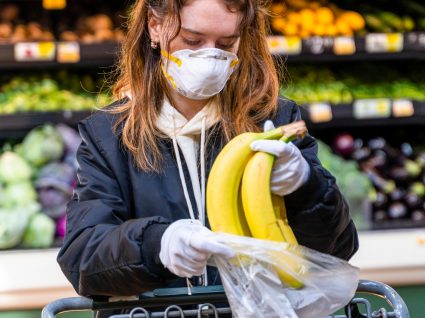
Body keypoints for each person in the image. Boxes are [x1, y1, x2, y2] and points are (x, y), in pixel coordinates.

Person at [57, 0, 359, 314]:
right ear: (155, 26)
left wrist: (305, 187)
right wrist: (158, 244)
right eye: (192, 40)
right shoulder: (110, 135)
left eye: (226, 43)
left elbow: (338, 249)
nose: (210, 55)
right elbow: (82, 259)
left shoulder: (272, 120)